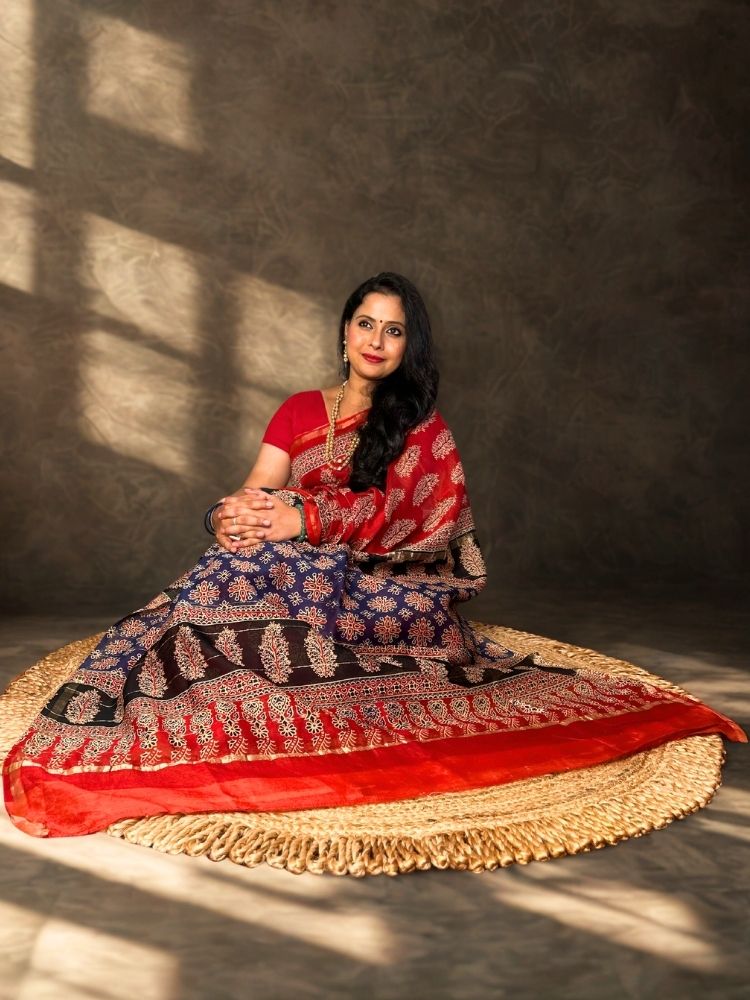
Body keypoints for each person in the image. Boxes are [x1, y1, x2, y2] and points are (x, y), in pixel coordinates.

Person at [3, 273, 745, 838]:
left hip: (383, 580)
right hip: (285, 557)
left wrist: (305, 515)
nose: (376, 340)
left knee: (261, 590)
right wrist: (230, 517)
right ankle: (198, 683)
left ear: (407, 346)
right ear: (344, 330)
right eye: (366, 323)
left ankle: (244, 682)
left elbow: (414, 520)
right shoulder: (297, 409)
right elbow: (256, 489)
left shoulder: (420, 425)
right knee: (229, 570)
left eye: (393, 331)